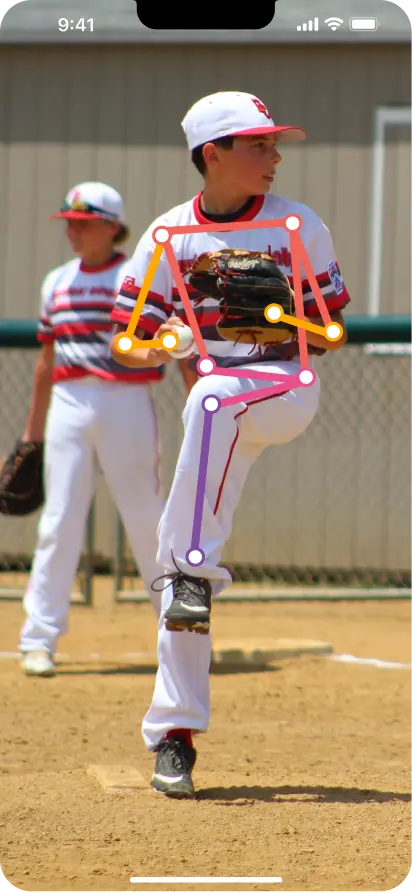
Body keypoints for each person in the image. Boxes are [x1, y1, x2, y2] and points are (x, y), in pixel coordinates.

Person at [110, 91, 351, 797]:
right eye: (258, 145)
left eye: (274, 144)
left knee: (210, 402)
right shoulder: (168, 234)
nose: (275, 157)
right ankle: (174, 736)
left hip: (282, 388)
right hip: (212, 410)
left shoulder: (298, 223)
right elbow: (128, 342)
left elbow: (328, 329)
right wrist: (157, 342)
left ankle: (189, 573)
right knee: (183, 553)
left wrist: (257, 307)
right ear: (211, 155)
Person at [19, 181, 197, 678]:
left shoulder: (136, 277)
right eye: (70, 223)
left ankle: (179, 638)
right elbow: (46, 361)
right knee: (58, 520)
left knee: (147, 518)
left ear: (114, 227)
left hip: (126, 397)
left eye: (85, 222)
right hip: (69, 402)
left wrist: (197, 412)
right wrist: (31, 434)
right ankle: (38, 638)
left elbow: (176, 350)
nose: (74, 231)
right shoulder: (55, 281)